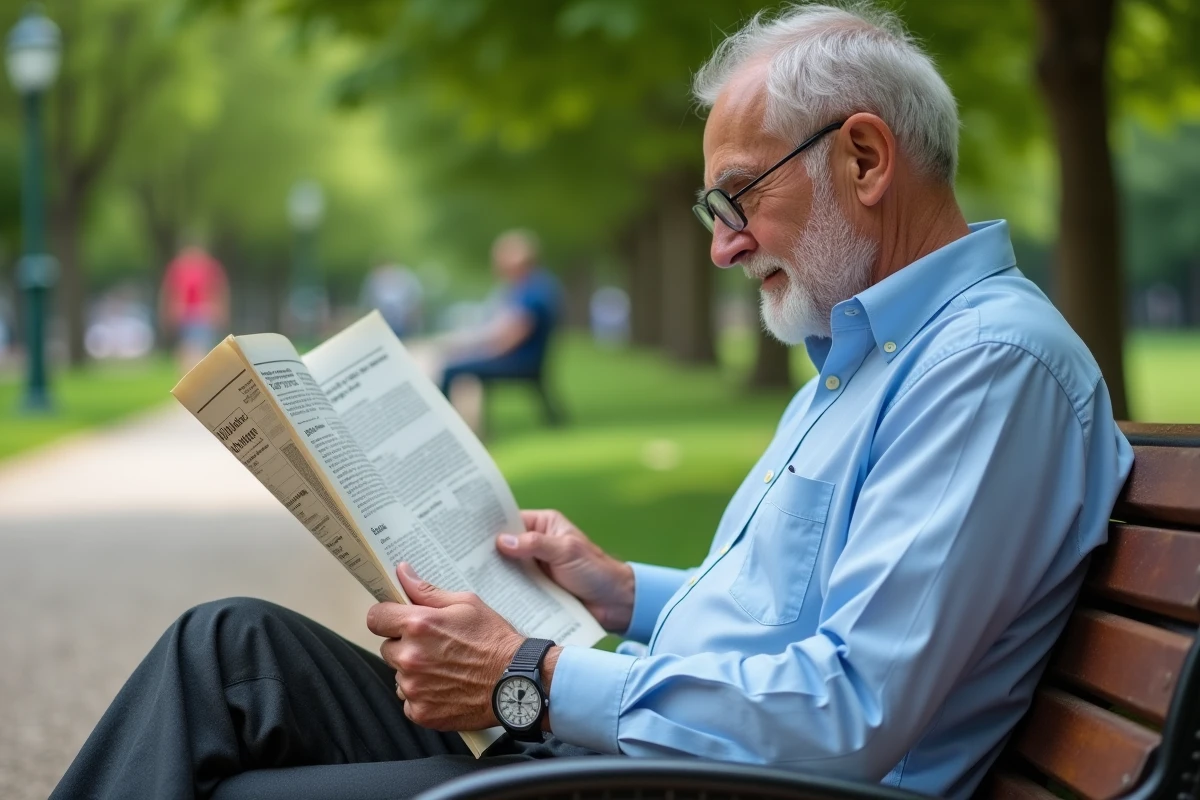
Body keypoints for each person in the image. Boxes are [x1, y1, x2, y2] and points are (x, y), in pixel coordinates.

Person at [52, 4, 1133, 800]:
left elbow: (845, 714)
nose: (722, 243)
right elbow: (787, 612)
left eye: (737, 194)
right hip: (644, 756)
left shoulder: (987, 369)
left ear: (862, 156)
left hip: (705, 784)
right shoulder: (872, 357)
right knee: (229, 648)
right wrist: (623, 592)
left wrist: (528, 675)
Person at [437, 229, 562, 397]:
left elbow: (510, 337)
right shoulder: (527, 286)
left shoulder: (532, 291)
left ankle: (446, 420)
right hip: (522, 357)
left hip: (521, 361)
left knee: (451, 369)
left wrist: (476, 353)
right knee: (454, 362)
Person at [159, 245, 231, 371]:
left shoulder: (210, 266)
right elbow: (170, 291)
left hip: (203, 313)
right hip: (186, 314)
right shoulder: (179, 267)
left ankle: (192, 378)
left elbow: (219, 290)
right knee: (190, 348)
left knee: (196, 348)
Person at [361, 261, 426, 339]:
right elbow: (367, 303)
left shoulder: (404, 276)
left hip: (402, 322)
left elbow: (415, 298)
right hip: (382, 322)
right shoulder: (373, 281)